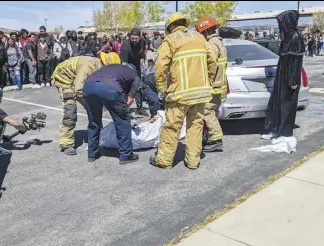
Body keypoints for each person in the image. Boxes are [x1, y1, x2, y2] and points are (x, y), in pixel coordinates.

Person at [149, 12, 217, 170]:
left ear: (171, 26)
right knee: (195, 126)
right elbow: (213, 60)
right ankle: (193, 162)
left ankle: (164, 160)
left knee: (172, 127)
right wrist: (209, 81)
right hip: (201, 93)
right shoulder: (200, 38)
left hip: (179, 94)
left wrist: (161, 87)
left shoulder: (170, 40)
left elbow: (160, 66)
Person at [51, 53, 121, 155]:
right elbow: (79, 90)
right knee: (70, 110)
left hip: (76, 80)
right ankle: (66, 143)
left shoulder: (101, 69)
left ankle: (99, 134)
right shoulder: (88, 66)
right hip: (64, 79)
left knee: (95, 107)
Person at [82, 63, 140, 164]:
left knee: (94, 121)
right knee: (123, 120)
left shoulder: (112, 68)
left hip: (88, 87)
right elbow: (129, 99)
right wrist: (123, 108)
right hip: (109, 87)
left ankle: (92, 154)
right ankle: (126, 155)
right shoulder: (134, 75)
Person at [261, 10, 305, 140]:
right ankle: (275, 130)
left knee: (286, 105)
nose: (281, 26)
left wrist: (293, 80)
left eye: (283, 23)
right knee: (277, 103)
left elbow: (296, 62)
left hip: (290, 78)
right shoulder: (287, 38)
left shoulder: (295, 38)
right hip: (282, 76)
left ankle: (284, 132)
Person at [195, 16, 228, 152]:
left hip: (213, 85)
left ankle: (215, 139)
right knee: (211, 111)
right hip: (219, 84)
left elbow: (211, 65)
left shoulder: (212, 45)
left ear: (205, 32)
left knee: (206, 111)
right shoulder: (219, 42)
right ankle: (209, 137)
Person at [0, 87, 27, 156]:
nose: (1, 101)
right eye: (0, 98)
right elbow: (12, 122)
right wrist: (23, 128)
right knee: (1, 122)